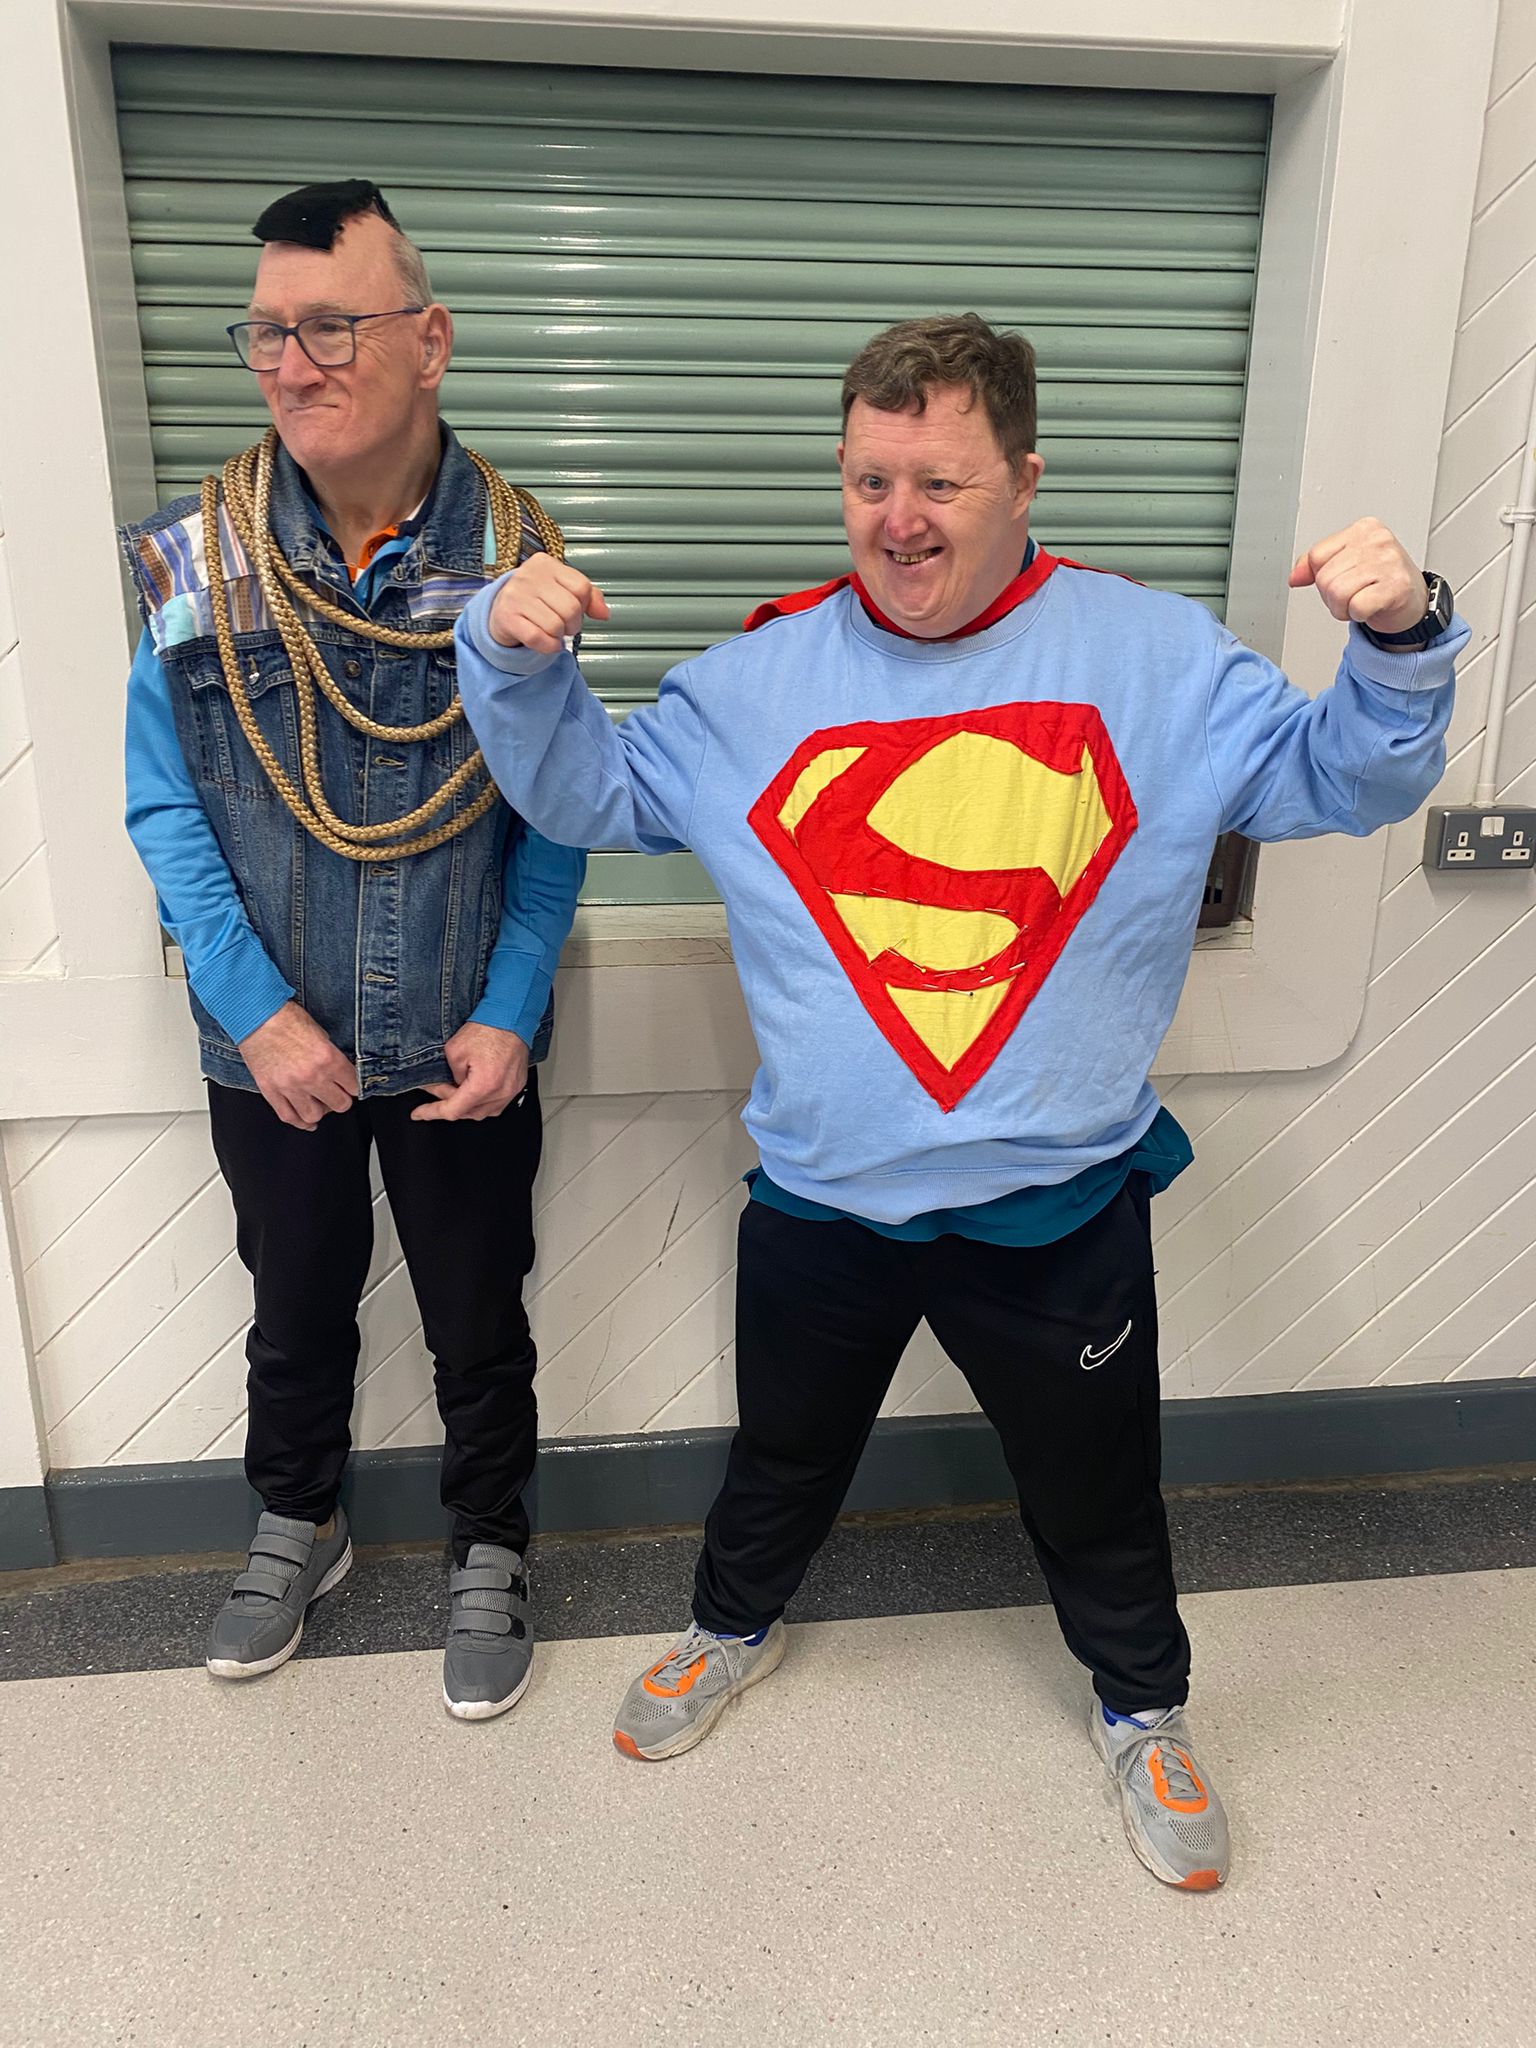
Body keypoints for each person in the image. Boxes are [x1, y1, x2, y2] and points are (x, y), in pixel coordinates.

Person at [453, 313, 1464, 1885]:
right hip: (823, 1196)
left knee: (1099, 1493)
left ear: (1026, 479)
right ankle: (730, 1627)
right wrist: (510, 658)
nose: (900, 519)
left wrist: (1402, 639)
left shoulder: (1159, 660)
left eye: (941, 481)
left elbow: (1352, 778)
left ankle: (1143, 1709)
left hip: (1057, 1208)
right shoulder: (754, 680)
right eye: (870, 481)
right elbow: (589, 792)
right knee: (781, 1456)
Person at [121, 181, 584, 1720]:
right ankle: (298, 1517)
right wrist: (253, 1013)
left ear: (428, 341)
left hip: (458, 1031)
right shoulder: (195, 557)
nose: (290, 364)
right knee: (294, 1300)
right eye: (267, 331)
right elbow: (162, 802)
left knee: (478, 1308)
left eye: (329, 326)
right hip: (275, 1040)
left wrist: (513, 1007)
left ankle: (491, 1537)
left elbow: (557, 809)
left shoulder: (513, 559)